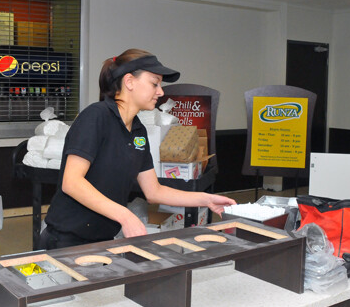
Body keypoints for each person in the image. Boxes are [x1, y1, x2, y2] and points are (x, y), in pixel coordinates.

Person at [39, 48, 236, 250]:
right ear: (129, 82)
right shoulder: (96, 116)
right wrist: (125, 215)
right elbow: (71, 182)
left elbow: (154, 191)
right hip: (65, 241)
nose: (160, 92)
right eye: (154, 83)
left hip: (103, 241)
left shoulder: (138, 130)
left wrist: (207, 199)